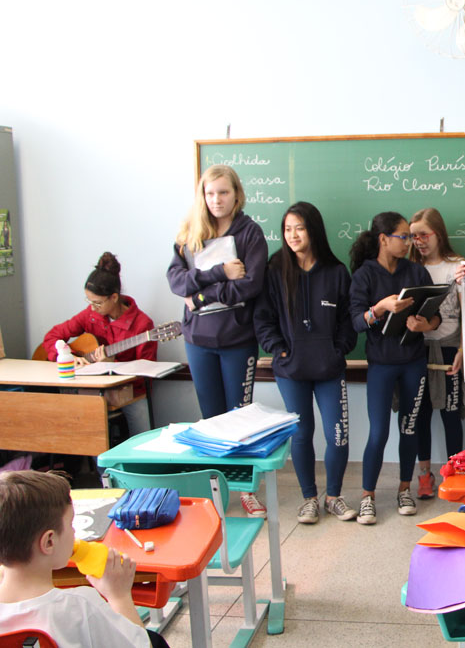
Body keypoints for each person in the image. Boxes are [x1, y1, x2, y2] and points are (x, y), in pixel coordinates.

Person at [167, 164, 268, 518]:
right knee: (211, 419)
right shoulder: (190, 232)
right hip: (198, 340)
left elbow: (251, 285)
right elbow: (177, 282)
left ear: (236, 195)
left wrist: (200, 296)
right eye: (210, 193)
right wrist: (220, 273)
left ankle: (247, 490)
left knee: (241, 417)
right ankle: (218, 490)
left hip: (238, 340)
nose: (216, 200)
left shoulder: (250, 233)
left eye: (223, 192)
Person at [254, 202, 358, 525]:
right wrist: (278, 349)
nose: (293, 235)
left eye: (299, 228)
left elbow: (348, 320)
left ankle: (333, 497)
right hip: (291, 370)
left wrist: (339, 349)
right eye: (287, 229)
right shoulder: (274, 269)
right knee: (301, 434)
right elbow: (263, 318)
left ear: (313, 230)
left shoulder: (336, 272)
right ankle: (309, 499)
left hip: (329, 368)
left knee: (337, 434)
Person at [0, 470, 166, 648]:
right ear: (49, 541)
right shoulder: (80, 605)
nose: (74, 532)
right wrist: (119, 596)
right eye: (71, 524)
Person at [349, 211, 440, 525]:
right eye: (403, 237)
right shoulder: (365, 275)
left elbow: (436, 316)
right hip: (381, 364)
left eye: (410, 237)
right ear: (383, 240)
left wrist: (424, 325)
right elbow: (356, 321)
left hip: (413, 362)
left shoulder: (416, 272)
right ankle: (368, 496)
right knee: (379, 432)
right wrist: (380, 308)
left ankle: (404, 489)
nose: (409, 242)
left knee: (409, 427)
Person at [43, 252, 156, 435]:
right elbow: (53, 336)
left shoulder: (142, 324)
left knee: (143, 430)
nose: (92, 307)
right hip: (92, 388)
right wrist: (67, 356)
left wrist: (113, 366)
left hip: (129, 392)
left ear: (114, 297)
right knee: (79, 423)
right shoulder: (91, 314)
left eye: (97, 303)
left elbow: (146, 372)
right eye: (89, 301)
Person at [408, 208, 465, 500]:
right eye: (413, 236)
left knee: (450, 414)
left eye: (423, 235)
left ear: (438, 234)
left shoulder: (457, 267)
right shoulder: (409, 267)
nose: (418, 241)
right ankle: (424, 474)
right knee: (420, 414)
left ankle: (455, 473)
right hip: (417, 350)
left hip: (449, 347)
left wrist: (463, 349)